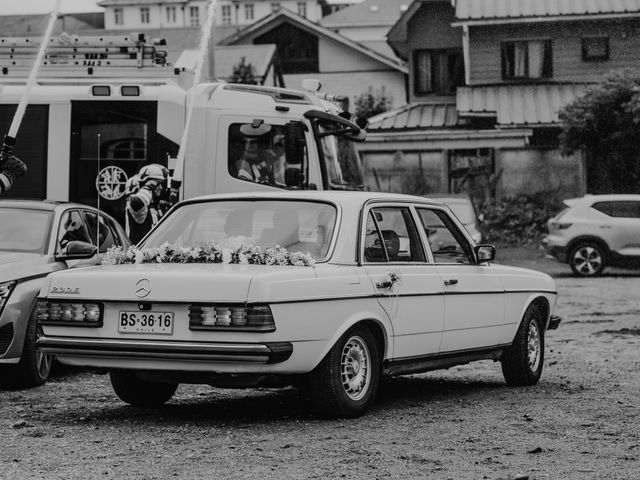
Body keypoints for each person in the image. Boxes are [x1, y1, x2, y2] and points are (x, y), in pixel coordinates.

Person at [125, 163, 169, 243]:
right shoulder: (139, 205)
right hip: (140, 252)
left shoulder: (154, 205)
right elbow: (137, 200)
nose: (161, 187)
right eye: (158, 184)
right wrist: (148, 187)